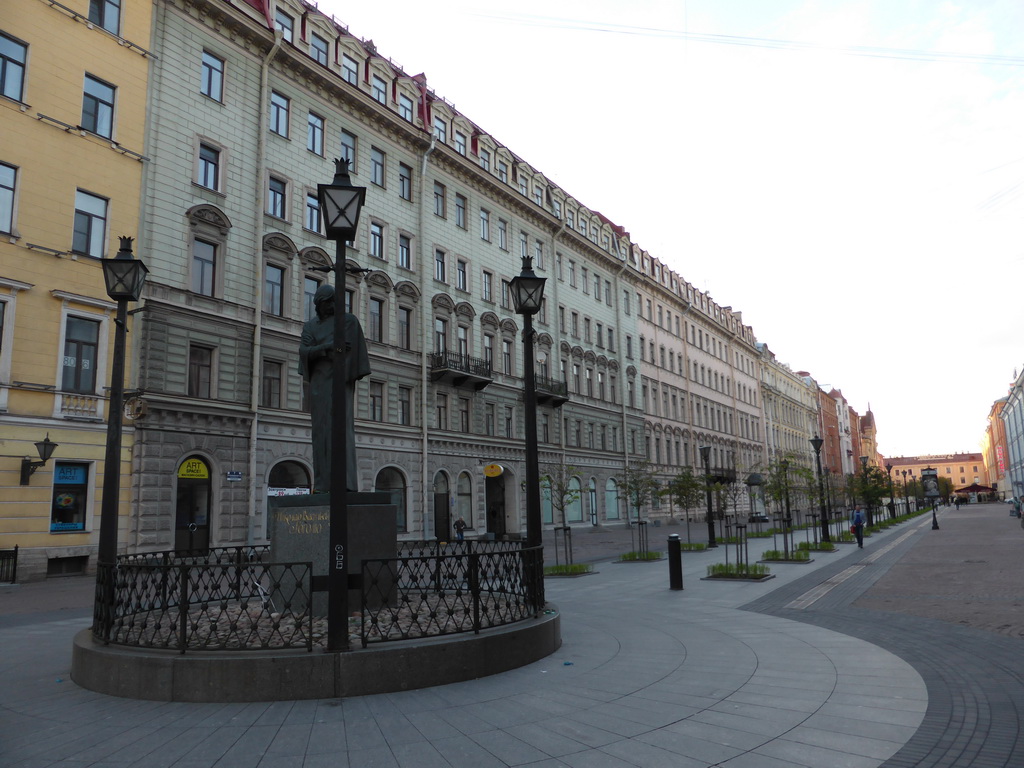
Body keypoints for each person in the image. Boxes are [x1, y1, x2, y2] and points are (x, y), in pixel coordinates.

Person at [298, 284, 371, 494]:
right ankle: (322, 485)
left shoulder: (348, 321)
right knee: (320, 433)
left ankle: (346, 483)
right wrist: (325, 349)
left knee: (341, 430)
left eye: (333, 301)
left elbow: (350, 350)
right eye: (327, 302)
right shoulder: (310, 326)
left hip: (340, 381)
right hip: (319, 384)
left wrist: (321, 350)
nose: (331, 305)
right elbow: (304, 350)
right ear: (318, 304)